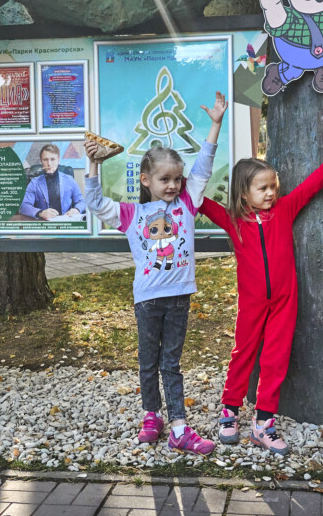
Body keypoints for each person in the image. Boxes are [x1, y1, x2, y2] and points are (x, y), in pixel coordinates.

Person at [199, 126, 323, 454]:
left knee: (275, 359)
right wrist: (178, 175)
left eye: (273, 186)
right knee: (243, 354)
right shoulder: (233, 220)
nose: (271, 192)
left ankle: (263, 423)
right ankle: (229, 412)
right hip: (253, 303)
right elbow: (196, 200)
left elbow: (311, 187)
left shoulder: (284, 209)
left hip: (284, 302)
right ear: (244, 194)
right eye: (263, 188)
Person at [84, 92, 227, 455]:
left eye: (177, 179)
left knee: (171, 363)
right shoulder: (132, 215)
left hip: (180, 297)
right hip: (147, 301)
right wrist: (93, 165)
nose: (173, 185)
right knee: (148, 361)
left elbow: (204, 168)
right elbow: (96, 204)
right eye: (165, 179)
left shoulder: (188, 204)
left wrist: (215, 124)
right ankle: (152, 415)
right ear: (146, 179)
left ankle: (179, 426)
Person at [19, 143, 85, 220]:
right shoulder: (34, 182)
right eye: (45, 159)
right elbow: (24, 206)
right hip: (45, 224)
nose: (49, 163)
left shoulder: (69, 180)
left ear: (58, 160)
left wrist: (76, 209)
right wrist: (41, 213)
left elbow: (81, 201)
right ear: (41, 161)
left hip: (66, 222)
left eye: (53, 159)